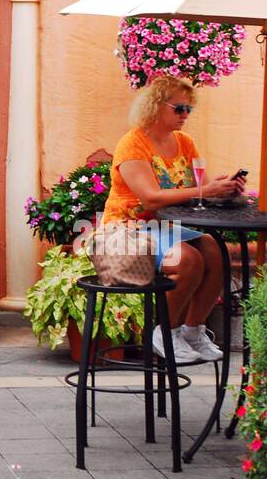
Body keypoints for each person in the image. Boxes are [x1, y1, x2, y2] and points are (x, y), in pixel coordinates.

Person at [99, 74, 245, 365]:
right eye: (179, 108)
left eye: (189, 109)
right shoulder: (133, 144)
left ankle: (192, 332)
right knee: (188, 259)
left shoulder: (185, 142)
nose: (185, 115)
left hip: (164, 228)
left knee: (216, 252)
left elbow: (191, 192)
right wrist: (205, 189)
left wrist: (221, 188)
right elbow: (150, 198)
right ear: (155, 106)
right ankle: (164, 333)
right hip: (125, 232)